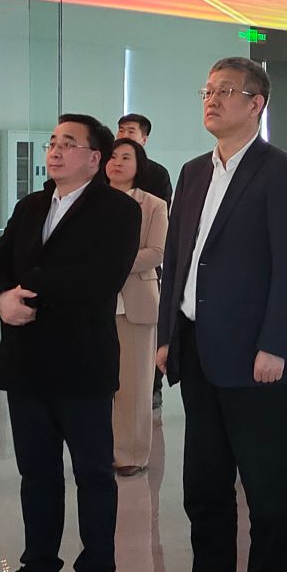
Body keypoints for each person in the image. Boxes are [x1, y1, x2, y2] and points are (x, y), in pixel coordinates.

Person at [155, 58, 287, 572]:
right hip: (199, 350)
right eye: (208, 90)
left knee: (266, 490)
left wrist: (275, 343)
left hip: (255, 359)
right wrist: (168, 334)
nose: (212, 99)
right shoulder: (194, 171)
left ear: (256, 104)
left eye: (226, 91)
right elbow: (178, 257)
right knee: (204, 485)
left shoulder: (281, 173)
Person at [0, 115, 140, 572]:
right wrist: (0, 299)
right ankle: (39, 571)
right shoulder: (31, 206)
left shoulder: (118, 210)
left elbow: (100, 278)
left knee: (93, 473)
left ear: (95, 158)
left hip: (81, 363)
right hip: (26, 361)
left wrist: (26, 290)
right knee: (37, 473)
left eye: (68, 144)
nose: (54, 151)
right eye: (52, 142)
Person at [105, 136, 168, 478]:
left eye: (125, 157)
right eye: (112, 157)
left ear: (138, 165)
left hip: (136, 303)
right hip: (95, 304)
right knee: (98, 383)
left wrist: (110, 265)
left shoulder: (153, 205)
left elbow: (156, 252)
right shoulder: (90, 201)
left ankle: (131, 454)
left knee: (134, 383)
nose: (117, 163)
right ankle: (101, 448)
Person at [115, 113, 173, 205]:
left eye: (131, 131)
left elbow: (162, 208)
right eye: (121, 130)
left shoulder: (158, 173)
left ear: (144, 140)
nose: (124, 136)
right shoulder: (106, 166)